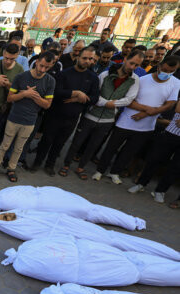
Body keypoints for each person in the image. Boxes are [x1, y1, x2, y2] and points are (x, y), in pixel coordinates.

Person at [93, 56, 179, 184]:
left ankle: (115, 172)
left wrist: (148, 113)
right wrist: (147, 110)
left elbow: (170, 104)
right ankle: (100, 170)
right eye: (165, 70)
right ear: (160, 65)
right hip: (126, 121)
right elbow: (128, 100)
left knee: (129, 152)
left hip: (147, 126)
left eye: (170, 72)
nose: (166, 74)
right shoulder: (142, 80)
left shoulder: (176, 83)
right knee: (111, 147)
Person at [60, 51, 142, 180]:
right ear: (125, 59)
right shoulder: (105, 74)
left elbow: (129, 99)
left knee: (94, 145)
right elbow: (94, 93)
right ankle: (66, 164)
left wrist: (110, 104)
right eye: (131, 63)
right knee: (77, 142)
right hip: (90, 114)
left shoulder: (135, 80)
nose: (132, 67)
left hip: (108, 119)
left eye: (136, 65)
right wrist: (106, 103)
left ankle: (81, 167)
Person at [31, 46, 99, 175]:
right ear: (78, 57)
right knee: (47, 140)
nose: (87, 61)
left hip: (73, 117)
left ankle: (50, 165)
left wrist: (78, 99)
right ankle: (37, 163)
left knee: (59, 143)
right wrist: (76, 93)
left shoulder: (93, 77)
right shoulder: (64, 74)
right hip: (55, 114)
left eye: (90, 59)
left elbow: (94, 98)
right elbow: (56, 92)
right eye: (84, 58)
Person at [0, 51, 55, 182]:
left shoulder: (50, 81)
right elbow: (10, 98)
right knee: (5, 144)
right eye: (41, 65)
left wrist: (34, 96)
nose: (42, 69)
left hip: (30, 121)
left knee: (19, 147)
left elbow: (47, 105)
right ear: (36, 62)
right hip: (14, 117)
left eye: (47, 67)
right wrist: (25, 94)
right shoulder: (21, 77)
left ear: (51, 66)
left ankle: (11, 169)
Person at [128, 100, 179, 204]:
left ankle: (160, 191)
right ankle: (141, 184)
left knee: (176, 167)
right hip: (171, 133)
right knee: (155, 159)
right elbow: (178, 109)